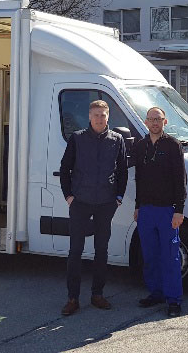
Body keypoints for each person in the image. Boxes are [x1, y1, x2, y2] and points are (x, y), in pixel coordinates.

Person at [59, 99, 128, 316]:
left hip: (106, 203)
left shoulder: (116, 140)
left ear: (108, 117)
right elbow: (65, 168)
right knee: (75, 251)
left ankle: (97, 295)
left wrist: (118, 197)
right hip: (80, 202)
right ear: (89, 116)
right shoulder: (78, 139)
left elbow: (123, 171)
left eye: (103, 115)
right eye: (96, 114)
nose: (99, 118)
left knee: (101, 251)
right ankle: (72, 298)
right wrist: (69, 196)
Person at [131, 106, 186, 317]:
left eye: (158, 119)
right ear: (145, 123)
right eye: (151, 119)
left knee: (170, 257)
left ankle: (174, 300)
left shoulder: (173, 145)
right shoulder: (141, 146)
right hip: (146, 211)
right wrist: (137, 206)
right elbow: (139, 179)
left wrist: (179, 210)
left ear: (165, 122)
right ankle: (156, 293)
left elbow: (180, 180)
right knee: (150, 256)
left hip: (167, 211)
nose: (154, 122)